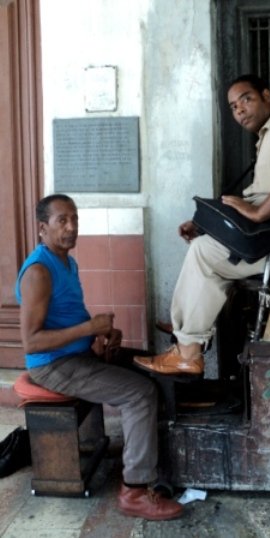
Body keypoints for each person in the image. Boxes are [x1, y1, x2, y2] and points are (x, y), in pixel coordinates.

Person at [133, 73, 270, 376]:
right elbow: (262, 199)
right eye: (232, 106)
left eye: (246, 99)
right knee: (209, 245)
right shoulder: (269, 136)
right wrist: (206, 223)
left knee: (205, 252)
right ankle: (188, 328)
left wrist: (258, 214)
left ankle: (188, 348)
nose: (239, 109)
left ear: (267, 96)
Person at [15, 194, 183, 521]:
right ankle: (134, 490)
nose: (71, 227)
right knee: (139, 393)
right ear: (42, 228)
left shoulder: (66, 261)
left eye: (74, 219)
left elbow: (66, 317)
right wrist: (89, 327)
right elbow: (32, 343)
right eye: (62, 220)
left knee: (155, 365)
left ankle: (155, 460)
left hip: (78, 355)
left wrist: (100, 334)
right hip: (53, 366)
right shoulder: (39, 271)